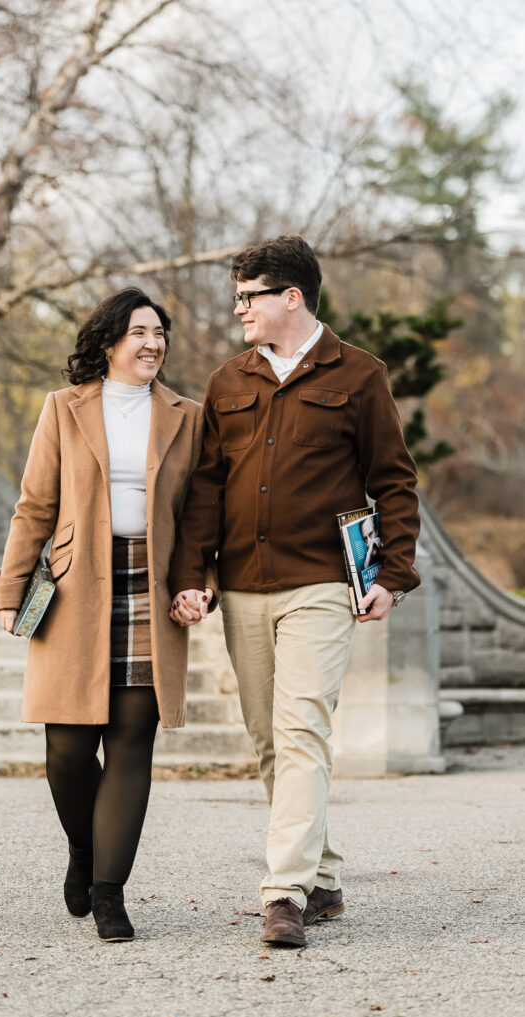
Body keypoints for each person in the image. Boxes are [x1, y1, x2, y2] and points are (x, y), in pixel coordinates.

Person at [169, 236, 421, 948]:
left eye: (249, 296)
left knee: (303, 725)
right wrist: (194, 575)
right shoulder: (227, 382)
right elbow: (207, 487)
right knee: (269, 738)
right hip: (244, 586)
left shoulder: (360, 375)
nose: (239, 308)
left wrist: (393, 576)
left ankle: (284, 893)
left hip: (320, 584)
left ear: (291, 297)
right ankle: (326, 876)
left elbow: (394, 481)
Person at [0, 287, 214, 943]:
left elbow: (203, 515)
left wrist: (198, 581)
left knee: (130, 743)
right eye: (140, 332)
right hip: (74, 586)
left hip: (153, 582)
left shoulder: (188, 416)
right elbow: (34, 504)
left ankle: (111, 893)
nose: (153, 343)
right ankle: (85, 852)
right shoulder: (63, 409)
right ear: (110, 341)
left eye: (160, 333)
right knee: (65, 749)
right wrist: (10, 592)